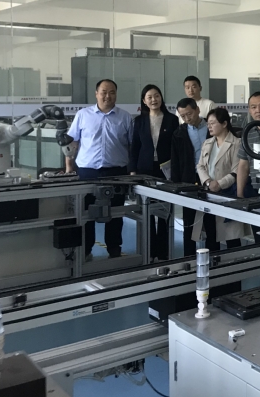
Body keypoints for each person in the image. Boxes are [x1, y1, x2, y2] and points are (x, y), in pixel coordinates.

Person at [65, 79, 133, 260]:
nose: (107, 96)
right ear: (96, 93)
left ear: (116, 95)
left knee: (116, 213)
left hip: (116, 172)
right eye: (104, 92)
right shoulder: (83, 115)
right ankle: (86, 250)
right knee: (86, 212)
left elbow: (131, 145)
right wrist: (69, 168)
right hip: (87, 172)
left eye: (112, 92)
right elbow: (72, 142)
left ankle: (114, 249)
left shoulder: (125, 117)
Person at [130, 84, 179, 262]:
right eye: (149, 97)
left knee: (165, 211)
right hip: (144, 170)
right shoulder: (139, 121)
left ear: (161, 98)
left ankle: (163, 252)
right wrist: (132, 171)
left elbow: (176, 147)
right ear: (144, 101)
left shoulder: (172, 119)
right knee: (147, 211)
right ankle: (150, 251)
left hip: (165, 171)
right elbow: (135, 147)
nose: (153, 99)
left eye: (156, 95)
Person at [193, 108, 252, 250]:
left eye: (213, 123)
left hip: (228, 194)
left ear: (224, 123)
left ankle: (234, 263)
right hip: (209, 193)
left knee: (231, 236)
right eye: (208, 124)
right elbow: (200, 166)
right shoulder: (207, 143)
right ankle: (212, 262)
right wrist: (208, 182)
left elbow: (236, 171)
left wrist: (219, 184)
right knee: (211, 235)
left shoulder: (237, 143)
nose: (209, 126)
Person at [170, 98, 208, 257]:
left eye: (189, 114)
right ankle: (189, 257)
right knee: (189, 221)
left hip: (210, 178)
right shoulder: (179, 133)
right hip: (189, 179)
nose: (187, 118)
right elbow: (175, 161)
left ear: (197, 110)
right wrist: (176, 185)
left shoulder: (211, 127)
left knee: (211, 219)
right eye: (183, 116)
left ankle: (213, 255)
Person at [236, 92, 260, 200]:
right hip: (256, 190)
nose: (258, 110)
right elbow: (243, 165)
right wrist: (239, 194)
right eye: (253, 107)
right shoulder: (248, 133)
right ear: (249, 110)